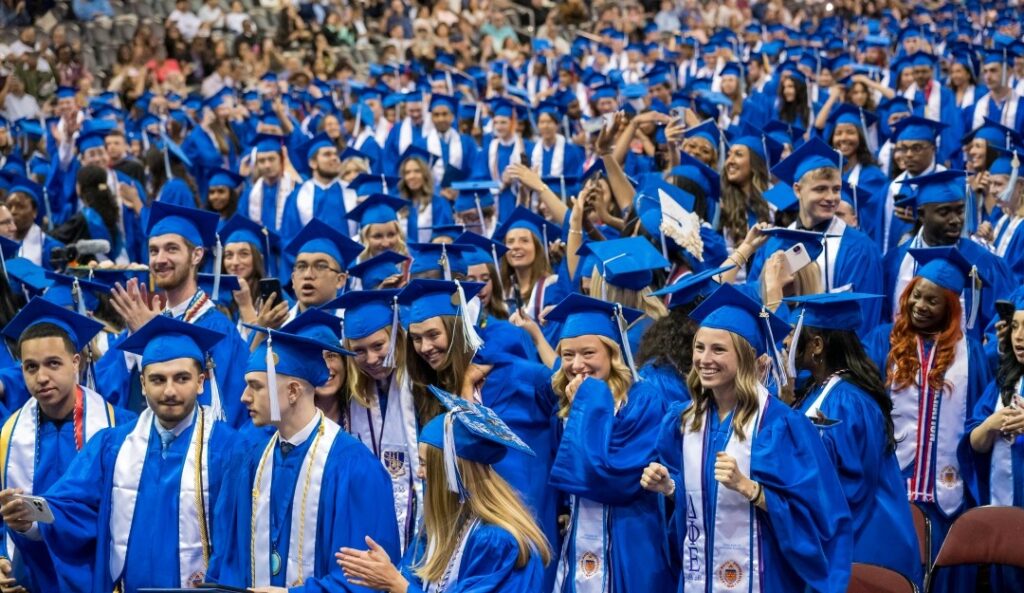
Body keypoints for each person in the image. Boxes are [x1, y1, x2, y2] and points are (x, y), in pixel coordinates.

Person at [641, 283, 853, 593]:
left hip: (763, 577)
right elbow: (697, 509)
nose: (704, 359)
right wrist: (670, 487)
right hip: (700, 577)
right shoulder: (684, 421)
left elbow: (818, 517)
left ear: (745, 356)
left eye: (718, 349)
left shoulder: (781, 427)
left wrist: (752, 489)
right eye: (700, 347)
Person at [0, 316, 236, 593]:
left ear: (200, 382)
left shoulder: (231, 450)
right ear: (143, 384)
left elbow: (237, 539)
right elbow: (73, 506)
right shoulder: (112, 445)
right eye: (158, 379)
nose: (170, 390)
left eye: (181, 378)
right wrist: (28, 517)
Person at [206, 325, 401, 591]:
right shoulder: (251, 461)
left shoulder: (356, 468)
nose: (244, 397)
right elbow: (228, 559)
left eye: (255, 386)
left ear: (293, 391)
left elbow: (364, 579)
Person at [397, 278, 559, 567]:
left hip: (526, 512)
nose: (425, 347)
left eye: (433, 334)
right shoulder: (436, 389)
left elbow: (567, 404)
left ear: (457, 329)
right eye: (417, 338)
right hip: (472, 524)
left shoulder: (518, 375)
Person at [336, 388, 551, 592]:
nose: (420, 473)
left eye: (425, 464)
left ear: (451, 471)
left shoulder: (497, 540)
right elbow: (409, 575)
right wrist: (387, 574)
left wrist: (396, 583)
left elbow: (403, 585)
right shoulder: (440, 527)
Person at [866, 246, 990, 593]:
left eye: (932, 301)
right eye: (915, 296)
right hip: (894, 482)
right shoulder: (882, 341)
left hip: (949, 493)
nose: (919, 306)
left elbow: (977, 417)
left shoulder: (971, 354)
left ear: (949, 307)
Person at [785, 293, 923, 588]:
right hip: (847, 540)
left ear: (817, 345)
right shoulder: (819, 390)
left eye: (793, 334)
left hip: (866, 547)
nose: (786, 342)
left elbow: (848, 486)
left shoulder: (846, 402)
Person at [0, 299, 133, 593]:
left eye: (53, 363)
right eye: (30, 367)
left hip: (98, 574)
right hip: (32, 578)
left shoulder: (121, 431)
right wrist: (1, 558)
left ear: (76, 363)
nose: (41, 377)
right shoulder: (7, 435)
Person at [544, 294, 673, 592]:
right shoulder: (563, 406)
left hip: (631, 536)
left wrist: (587, 404)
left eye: (588, 353)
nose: (577, 364)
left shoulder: (643, 400)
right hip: (578, 539)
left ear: (612, 353)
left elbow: (616, 478)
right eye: (568, 355)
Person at [99, 203, 250, 426]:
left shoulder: (220, 332)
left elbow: (224, 414)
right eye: (153, 251)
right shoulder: (144, 322)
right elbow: (102, 391)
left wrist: (149, 340)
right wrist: (138, 340)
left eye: (171, 249)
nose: (160, 259)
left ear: (196, 255)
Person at [747, 138, 884, 334]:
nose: (831, 198)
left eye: (836, 189)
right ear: (797, 190)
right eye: (820, 189)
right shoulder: (774, 243)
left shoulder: (860, 248)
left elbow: (866, 319)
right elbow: (755, 303)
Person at [325, 289, 422, 553]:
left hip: (421, 515)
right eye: (358, 351)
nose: (371, 359)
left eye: (378, 346)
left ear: (396, 336)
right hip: (365, 523)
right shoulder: (347, 390)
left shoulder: (423, 383)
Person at [881, 169, 1014, 341]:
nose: (955, 220)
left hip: (965, 356)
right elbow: (882, 318)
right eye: (944, 212)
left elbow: (1000, 325)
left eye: (960, 211)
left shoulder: (984, 262)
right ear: (921, 215)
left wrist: (980, 354)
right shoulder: (895, 262)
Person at [963, 292, 1024, 590]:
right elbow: (975, 442)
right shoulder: (1004, 383)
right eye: (1015, 326)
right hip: (1005, 515)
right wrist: (991, 424)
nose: (1019, 337)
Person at [862, 116, 947, 255]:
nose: (908, 154)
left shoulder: (948, 182)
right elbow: (883, 236)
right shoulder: (892, 188)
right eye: (903, 148)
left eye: (916, 148)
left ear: (932, 149)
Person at [281, 218, 361, 322]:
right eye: (301, 267)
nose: (308, 275)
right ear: (293, 279)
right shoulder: (278, 327)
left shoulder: (354, 327)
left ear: (340, 280)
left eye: (320, 267)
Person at [238, 133, 302, 234]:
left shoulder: (295, 189)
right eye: (262, 161)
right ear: (257, 164)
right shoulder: (249, 194)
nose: (267, 165)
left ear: (281, 160)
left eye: (271, 159)